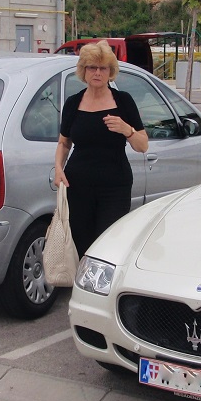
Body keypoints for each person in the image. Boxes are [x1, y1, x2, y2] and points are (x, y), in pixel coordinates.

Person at [54, 41, 149, 257]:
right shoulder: (73, 103)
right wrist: (58, 168)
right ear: (84, 71)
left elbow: (142, 145)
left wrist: (127, 130)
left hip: (114, 187)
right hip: (77, 186)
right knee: (81, 244)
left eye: (102, 68)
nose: (97, 73)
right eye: (92, 67)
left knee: (108, 244)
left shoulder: (123, 102)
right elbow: (63, 142)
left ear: (110, 72)